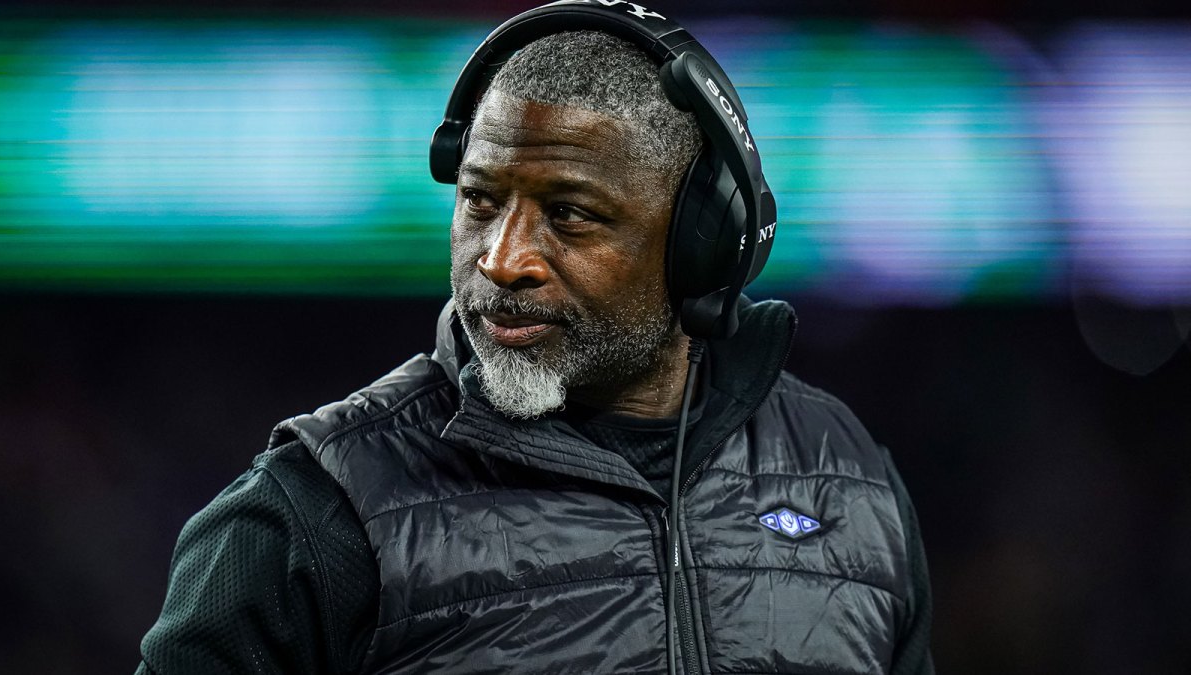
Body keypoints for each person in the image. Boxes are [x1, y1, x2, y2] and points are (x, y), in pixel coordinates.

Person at [136, 5, 933, 674]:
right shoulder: (310, 513)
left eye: (570, 213)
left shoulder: (848, 476)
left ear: (702, 241)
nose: (502, 258)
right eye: (481, 199)